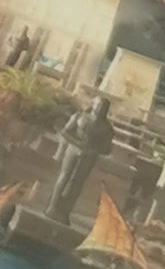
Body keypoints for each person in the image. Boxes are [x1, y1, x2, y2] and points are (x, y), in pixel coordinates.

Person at [45, 91, 115, 223]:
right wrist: (78, 143)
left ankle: (65, 211)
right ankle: (52, 206)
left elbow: (107, 149)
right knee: (64, 177)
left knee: (77, 183)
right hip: (73, 150)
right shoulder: (79, 117)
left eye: (104, 108)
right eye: (99, 105)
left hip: (89, 156)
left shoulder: (107, 129)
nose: (101, 109)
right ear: (93, 105)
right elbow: (66, 132)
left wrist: (93, 150)